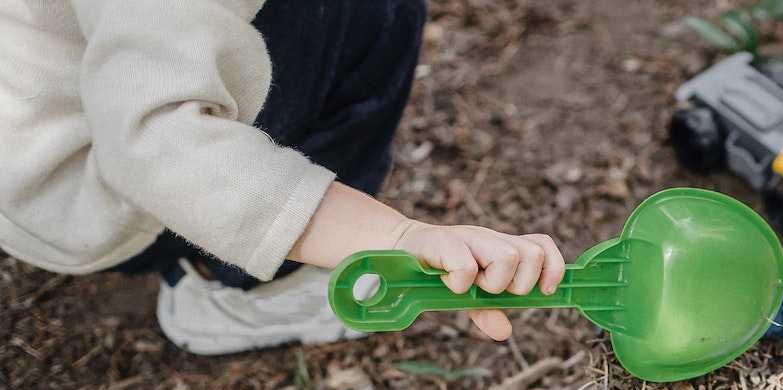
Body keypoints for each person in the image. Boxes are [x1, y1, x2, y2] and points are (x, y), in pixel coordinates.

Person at [0, 0, 556, 354]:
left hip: (43, 122)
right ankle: (238, 292)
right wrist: (397, 239)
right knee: (375, 14)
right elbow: (151, 143)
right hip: (82, 189)